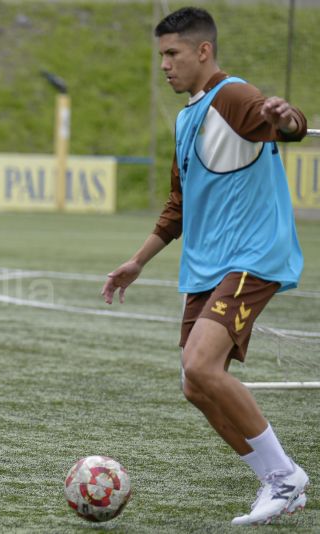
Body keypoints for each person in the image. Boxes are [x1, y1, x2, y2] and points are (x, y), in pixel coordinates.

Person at [101, 7, 308, 526]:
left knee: (199, 365)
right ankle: (279, 481)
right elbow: (179, 203)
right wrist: (137, 261)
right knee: (195, 384)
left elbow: (284, 124)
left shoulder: (232, 95)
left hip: (252, 256)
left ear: (203, 51)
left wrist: (289, 119)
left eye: (172, 54)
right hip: (209, 265)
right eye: (161, 56)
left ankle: (285, 478)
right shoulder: (186, 115)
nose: (164, 65)